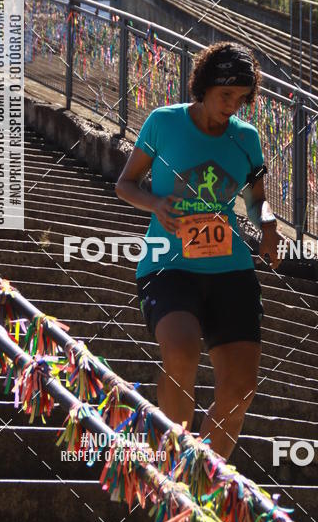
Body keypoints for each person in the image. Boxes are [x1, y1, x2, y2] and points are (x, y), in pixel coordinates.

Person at [115, 41, 286, 460]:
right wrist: (156, 203)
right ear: (204, 87)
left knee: (241, 387)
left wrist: (266, 221)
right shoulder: (163, 122)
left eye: (242, 99)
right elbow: (126, 183)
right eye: (226, 95)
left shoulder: (247, 138)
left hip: (230, 270)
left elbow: (255, 198)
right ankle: (170, 465)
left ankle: (200, 479)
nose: (233, 106)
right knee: (180, 351)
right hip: (168, 264)